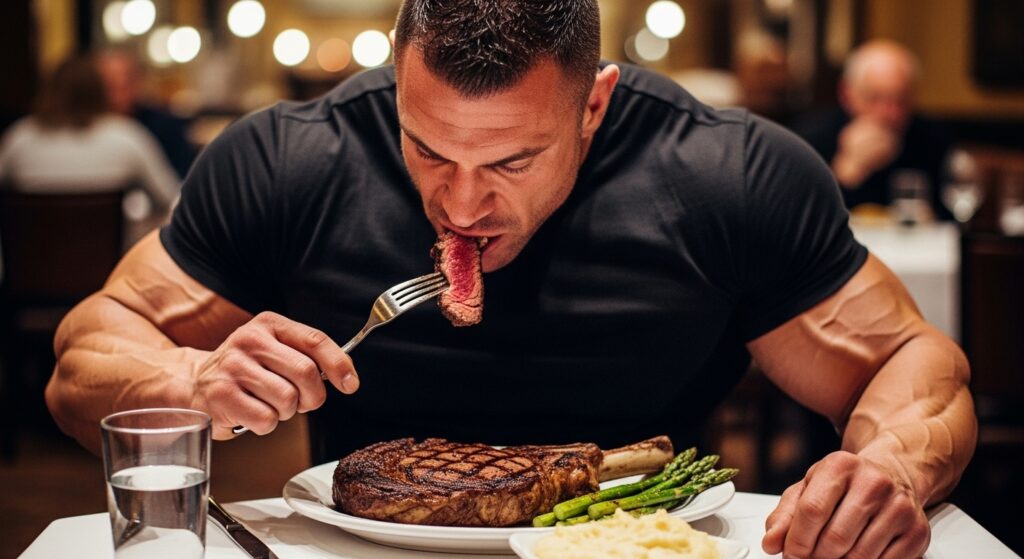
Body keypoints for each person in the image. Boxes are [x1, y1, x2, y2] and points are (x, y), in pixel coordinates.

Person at [46, 2, 975, 558]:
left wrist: (887, 468)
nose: (460, 203)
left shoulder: (726, 174)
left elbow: (914, 361)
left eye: (513, 162)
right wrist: (186, 381)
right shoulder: (294, 158)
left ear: (595, 104)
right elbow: (87, 353)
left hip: (641, 546)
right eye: (426, 146)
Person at [0, 54, 180, 220]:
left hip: (30, 253)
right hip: (114, 255)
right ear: (100, 91)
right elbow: (172, 200)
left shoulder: (19, 137)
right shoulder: (126, 136)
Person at [792, 40, 954, 219]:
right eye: (874, 98)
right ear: (846, 93)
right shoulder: (810, 138)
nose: (889, 112)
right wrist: (845, 174)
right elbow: (799, 217)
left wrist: (933, 217)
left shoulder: (932, 138)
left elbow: (952, 213)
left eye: (901, 99)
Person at [96, 49, 197, 179]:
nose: (119, 95)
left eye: (126, 84)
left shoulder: (166, 127)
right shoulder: (89, 131)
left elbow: (181, 184)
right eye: (111, 86)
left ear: (139, 82)